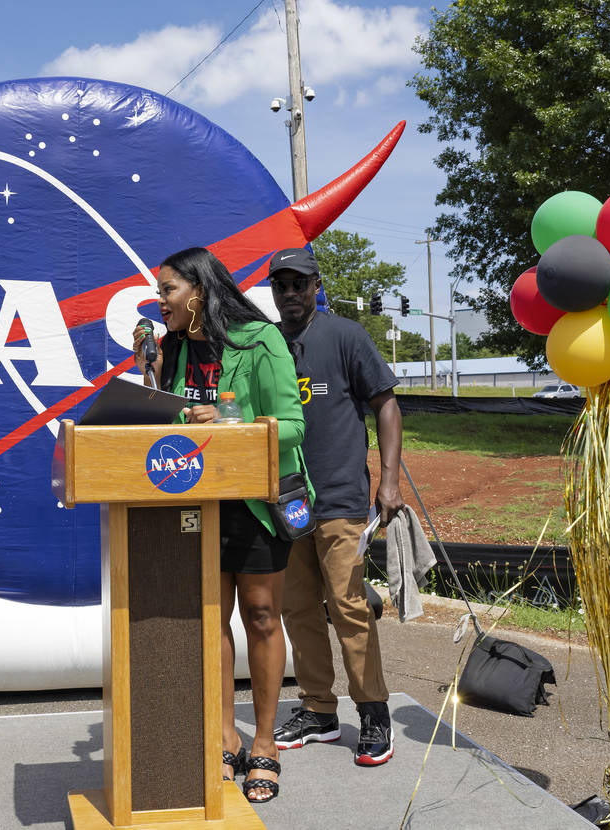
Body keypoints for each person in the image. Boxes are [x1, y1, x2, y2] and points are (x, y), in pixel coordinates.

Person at [132, 247, 305, 804]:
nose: (160, 302)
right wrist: (154, 385)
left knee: (259, 615)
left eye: (168, 291)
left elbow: (294, 427)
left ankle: (265, 743)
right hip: (198, 499)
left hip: (254, 500)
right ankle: (225, 734)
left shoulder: (261, 340)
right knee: (212, 620)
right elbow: (176, 415)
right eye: (160, 293)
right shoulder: (175, 349)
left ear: (199, 292)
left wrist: (227, 422)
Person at [268, 246, 403, 766]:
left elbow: (386, 405)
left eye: (299, 283)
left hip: (341, 498)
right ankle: (320, 711)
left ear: (316, 285)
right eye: (281, 285)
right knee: (298, 608)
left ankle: (373, 713)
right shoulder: (269, 344)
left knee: (348, 607)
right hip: (284, 502)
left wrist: (388, 483)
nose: (290, 293)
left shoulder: (345, 335)